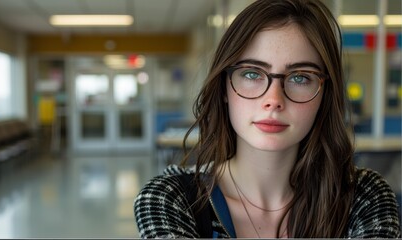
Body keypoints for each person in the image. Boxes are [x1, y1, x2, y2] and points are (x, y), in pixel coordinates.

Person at [134, 0, 401, 238]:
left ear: (324, 95)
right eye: (252, 73)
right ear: (224, 87)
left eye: (300, 77)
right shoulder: (170, 198)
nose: (274, 99)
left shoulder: (363, 198)